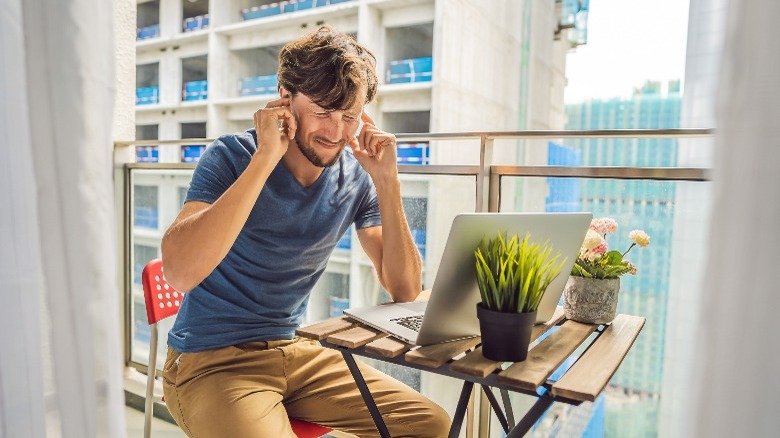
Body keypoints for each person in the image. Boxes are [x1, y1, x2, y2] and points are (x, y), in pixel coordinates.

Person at [159, 25, 450, 437]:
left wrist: (388, 181)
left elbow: (405, 290)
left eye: (349, 116)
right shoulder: (231, 156)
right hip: (210, 359)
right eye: (322, 111)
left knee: (430, 426)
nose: (335, 132)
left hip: (296, 350)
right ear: (285, 97)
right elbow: (179, 273)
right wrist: (264, 159)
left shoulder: (355, 177)